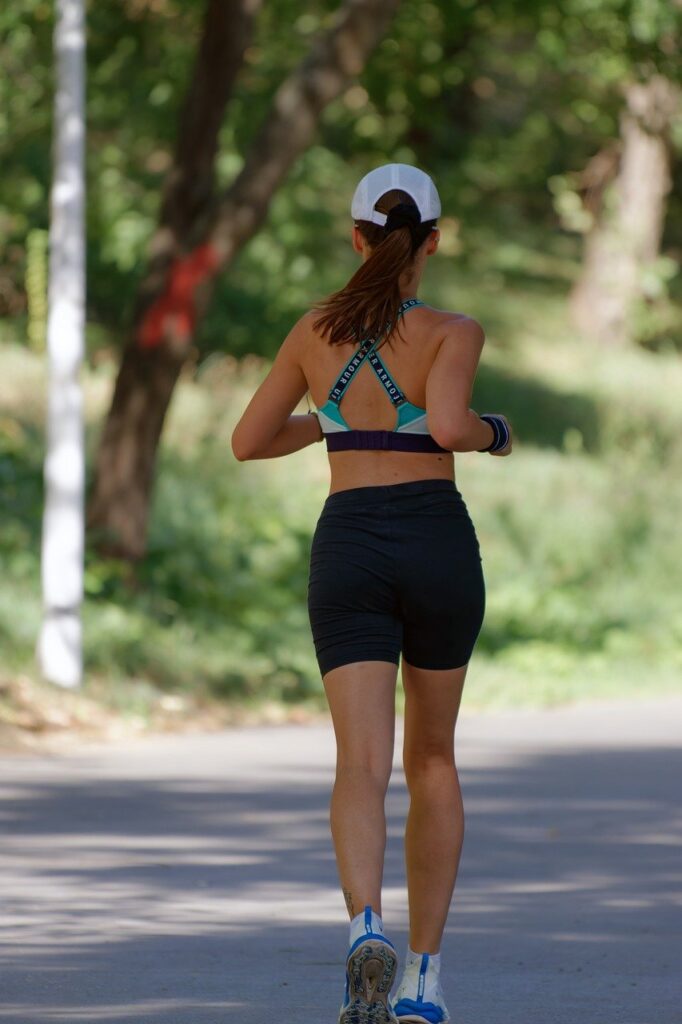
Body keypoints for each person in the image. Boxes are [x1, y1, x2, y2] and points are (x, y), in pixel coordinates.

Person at [231, 163, 512, 1024]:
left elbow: (248, 439)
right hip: (433, 537)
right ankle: (423, 979)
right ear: (432, 239)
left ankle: (364, 930)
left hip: (348, 542)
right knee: (433, 760)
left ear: (357, 236)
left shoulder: (313, 331)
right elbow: (456, 426)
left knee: (360, 762)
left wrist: (330, 416)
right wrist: (499, 434)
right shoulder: (451, 330)